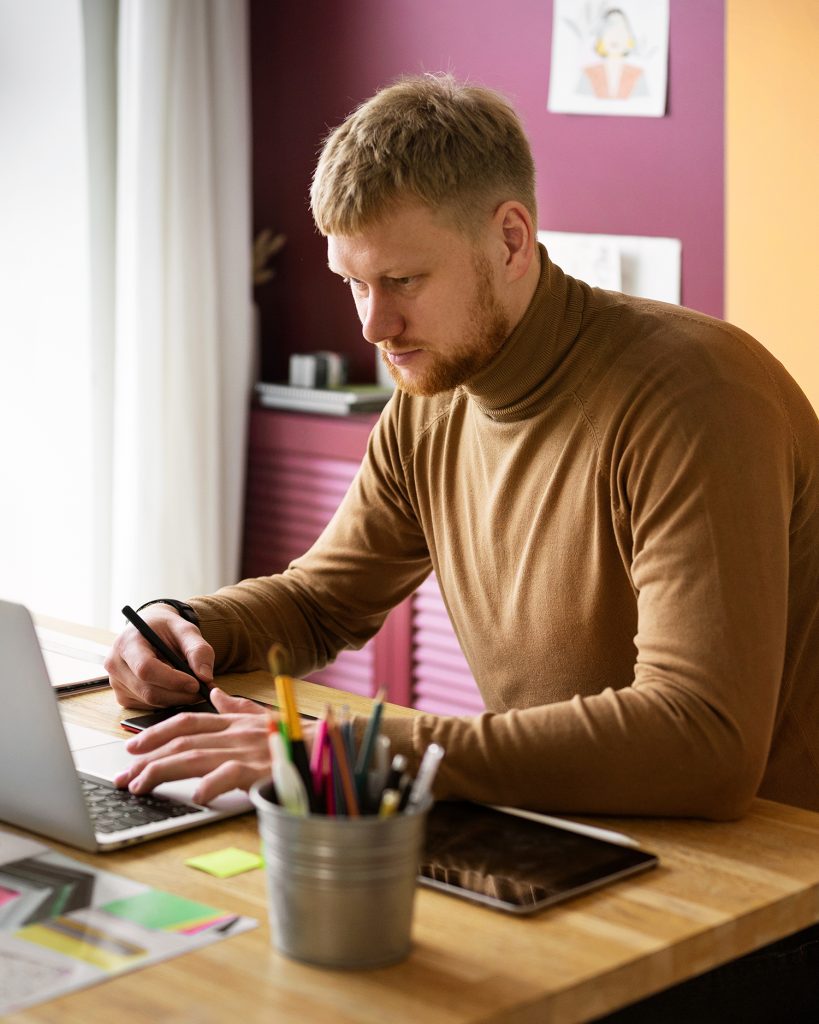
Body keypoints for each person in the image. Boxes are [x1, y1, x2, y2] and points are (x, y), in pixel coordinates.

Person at [106, 74, 819, 827]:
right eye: (353, 283)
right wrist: (183, 626)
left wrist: (353, 753)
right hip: (567, 830)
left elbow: (700, 739)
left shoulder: (694, 395)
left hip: (769, 886)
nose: (374, 327)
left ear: (510, 240)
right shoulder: (433, 396)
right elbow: (321, 603)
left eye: (402, 280)